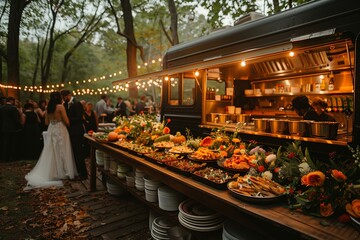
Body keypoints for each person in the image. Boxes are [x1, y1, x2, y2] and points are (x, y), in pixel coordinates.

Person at [24, 92, 78, 189]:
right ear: (59, 98)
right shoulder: (60, 107)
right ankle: (64, 171)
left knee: (52, 150)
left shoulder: (48, 108)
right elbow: (67, 122)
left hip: (51, 129)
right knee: (63, 149)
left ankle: (53, 171)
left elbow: (46, 122)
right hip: (61, 129)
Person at [61, 89, 88, 180]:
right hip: (69, 132)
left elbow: (79, 118)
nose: (63, 99)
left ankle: (84, 174)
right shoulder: (64, 105)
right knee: (73, 153)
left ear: (69, 95)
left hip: (77, 131)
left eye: (64, 97)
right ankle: (77, 171)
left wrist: (67, 119)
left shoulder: (77, 103)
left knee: (79, 152)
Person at [0, 97, 24, 161]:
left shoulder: (1, 108)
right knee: (13, 143)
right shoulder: (13, 108)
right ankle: (11, 157)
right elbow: (15, 119)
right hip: (13, 128)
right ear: (11, 101)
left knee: (5, 143)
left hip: (4, 128)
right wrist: (19, 125)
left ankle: (4, 157)